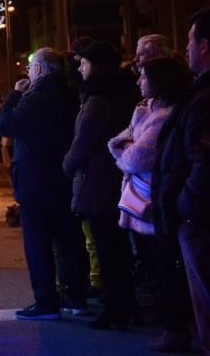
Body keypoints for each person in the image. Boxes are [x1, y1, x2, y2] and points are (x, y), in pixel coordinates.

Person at [108, 56, 193, 351]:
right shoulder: (146, 112)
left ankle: (176, 327)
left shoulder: (162, 117)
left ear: (158, 82)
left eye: (143, 77)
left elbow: (132, 156)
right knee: (158, 262)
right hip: (152, 198)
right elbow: (124, 141)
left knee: (166, 264)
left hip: (158, 200)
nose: (138, 81)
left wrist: (123, 148)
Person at [0, 47, 89, 320]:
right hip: (64, 176)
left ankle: (46, 300)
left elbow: (6, 125)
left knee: (38, 243)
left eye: (30, 68)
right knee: (69, 239)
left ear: (39, 69)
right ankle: (76, 297)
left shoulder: (34, 98)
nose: (28, 72)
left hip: (35, 178)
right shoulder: (71, 93)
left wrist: (14, 94)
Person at [63, 41, 140, 329]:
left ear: (96, 66)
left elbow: (83, 142)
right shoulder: (125, 93)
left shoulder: (97, 101)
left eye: (84, 63)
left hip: (98, 181)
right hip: (117, 178)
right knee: (117, 248)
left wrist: (67, 164)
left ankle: (115, 309)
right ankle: (127, 304)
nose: (80, 69)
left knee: (107, 249)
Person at [155, 8, 210, 353]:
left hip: (200, 216)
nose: (185, 47)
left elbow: (203, 160)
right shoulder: (199, 92)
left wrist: (185, 205)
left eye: (190, 40)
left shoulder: (203, 98)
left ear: (204, 45)